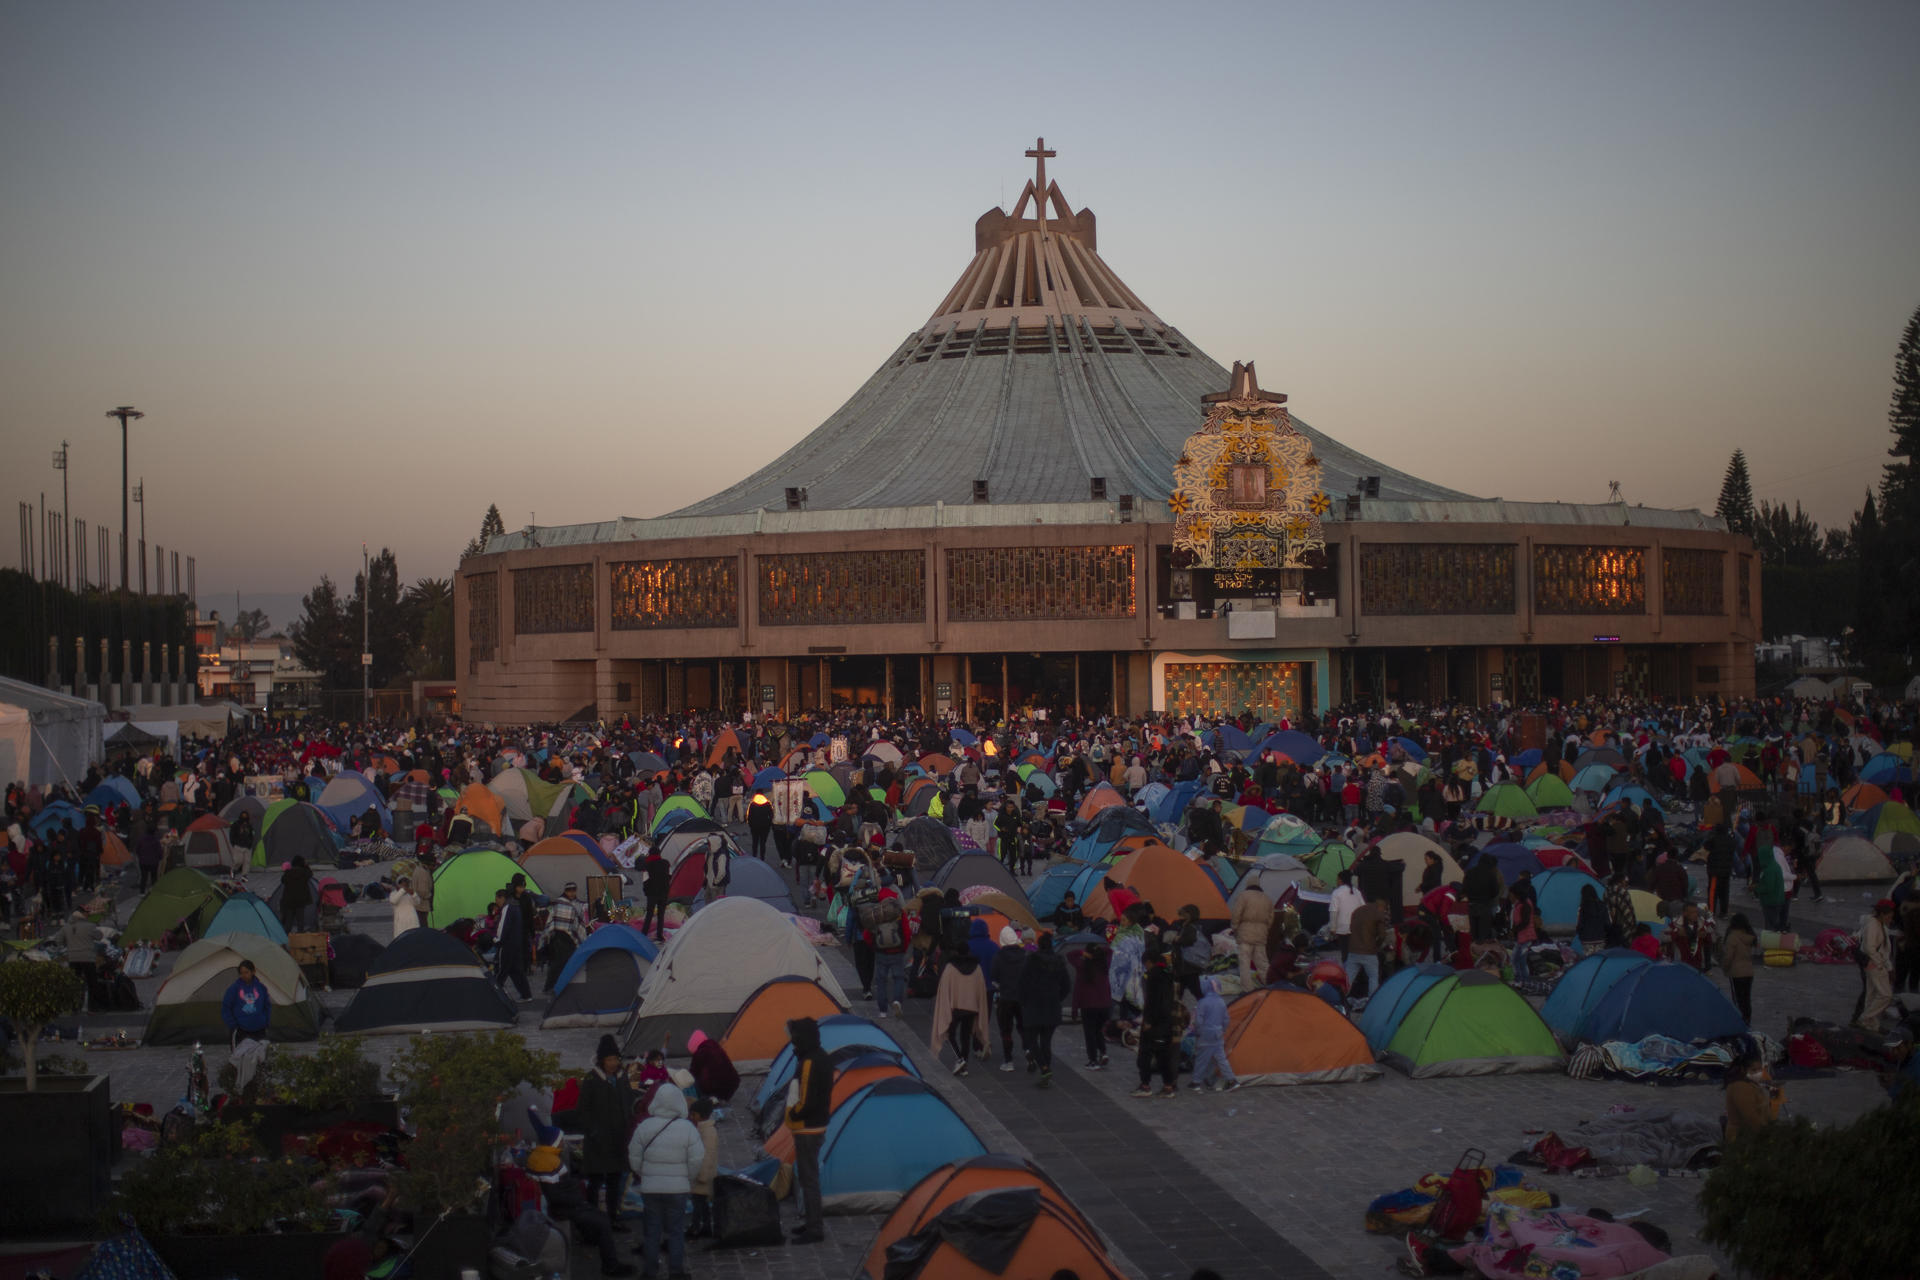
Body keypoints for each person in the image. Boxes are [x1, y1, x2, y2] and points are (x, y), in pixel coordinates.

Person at [627, 1086, 703, 1277]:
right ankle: (676, 1272)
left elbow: (634, 1155)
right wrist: (688, 1178)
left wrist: (644, 1173)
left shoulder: (645, 1126)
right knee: (676, 1232)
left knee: (652, 1231)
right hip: (678, 1189)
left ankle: (650, 1272)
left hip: (651, 1188)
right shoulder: (687, 1128)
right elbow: (696, 1158)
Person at [526, 1144, 633, 1276]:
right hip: (563, 1208)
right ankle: (611, 1266)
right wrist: (578, 1199)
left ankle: (594, 1242)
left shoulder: (539, 1157)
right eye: (560, 1141)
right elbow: (555, 1196)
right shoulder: (550, 1161)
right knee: (603, 1222)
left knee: (598, 1218)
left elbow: (554, 1190)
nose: (562, 1145)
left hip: (564, 1205)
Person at [782, 1017, 833, 1244]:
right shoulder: (821, 1056)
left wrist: (793, 1114)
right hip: (817, 1125)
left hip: (807, 1128)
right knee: (808, 1177)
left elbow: (806, 1098)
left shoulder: (811, 1062)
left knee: (808, 1179)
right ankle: (812, 1222)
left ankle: (815, 1228)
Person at [577, 1035, 635, 1231]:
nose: (613, 1063)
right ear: (602, 1060)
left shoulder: (622, 1078)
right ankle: (594, 1221)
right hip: (597, 1141)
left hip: (618, 1140)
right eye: (609, 1059)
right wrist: (593, 1132)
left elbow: (627, 1104)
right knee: (594, 1182)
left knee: (614, 1181)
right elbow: (583, 1110)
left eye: (615, 1059)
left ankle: (613, 1217)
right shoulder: (592, 1079)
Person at [1015, 932, 1073, 1087]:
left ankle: (1044, 1068)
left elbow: (1022, 983)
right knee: (1046, 1041)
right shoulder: (1059, 962)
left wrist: (1023, 1001)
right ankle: (1046, 1070)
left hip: (1033, 1006)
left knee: (1031, 1040)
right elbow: (1066, 985)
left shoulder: (1031, 961)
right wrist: (1057, 998)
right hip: (1052, 1006)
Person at [929, 941, 989, 1075]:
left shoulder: (951, 967)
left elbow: (944, 986)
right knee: (965, 1036)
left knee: (950, 1034)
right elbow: (981, 988)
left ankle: (960, 1059)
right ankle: (964, 1065)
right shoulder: (977, 967)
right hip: (972, 1007)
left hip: (956, 1008)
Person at [1130, 937, 1179, 1099]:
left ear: (1149, 962)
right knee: (1164, 1055)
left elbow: (1152, 1001)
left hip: (1155, 1023)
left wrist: (1149, 1021)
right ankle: (1168, 1086)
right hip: (1167, 1022)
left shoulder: (1153, 977)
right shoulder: (1168, 974)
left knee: (1145, 1054)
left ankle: (1145, 1085)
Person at [865, 872, 911, 1019]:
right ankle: (897, 1001)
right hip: (897, 950)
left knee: (881, 980)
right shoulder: (897, 910)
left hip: (881, 951)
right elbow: (907, 931)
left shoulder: (877, 911)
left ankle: (883, 1010)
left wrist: (874, 946)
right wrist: (904, 947)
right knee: (898, 977)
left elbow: (867, 934)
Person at [1187, 975, 1240, 1092]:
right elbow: (1226, 1019)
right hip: (1218, 1034)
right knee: (1221, 1059)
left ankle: (1196, 1081)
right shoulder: (1221, 1002)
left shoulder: (1202, 1002)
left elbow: (1199, 1021)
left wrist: (1197, 1032)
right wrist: (1222, 1030)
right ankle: (1232, 1080)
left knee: (1201, 1058)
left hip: (1206, 1034)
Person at [991, 926, 1029, 1071]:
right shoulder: (1024, 954)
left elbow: (994, 977)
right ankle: (1028, 1050)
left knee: (1006, 1030)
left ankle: (1008, 1060)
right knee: (1023, 1026)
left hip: (1006, 997)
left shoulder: (999, 956)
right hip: (1022, 997)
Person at [1072, 941, 1113, 1069]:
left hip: (1088, 1005)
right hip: (1104, 1004)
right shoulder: (1104, 964)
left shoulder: (1082, 966)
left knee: (1089, 1033)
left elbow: (1070, 955)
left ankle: (1093, 1060)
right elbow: (1109, 951)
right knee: (1099, 1030)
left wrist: (1082, 952)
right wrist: (1098, 951)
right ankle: (1103, 1052)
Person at [1858, 898, 1897, 1031]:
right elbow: (1870, 947)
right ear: (1881, 914)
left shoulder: (1880, 925)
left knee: (1872, 994)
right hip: (1875, 964)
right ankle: (1866, 1017)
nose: (1890, 920)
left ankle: (1870, 1024)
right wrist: (1881, 963)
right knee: (1886, 995)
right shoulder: (1873, 925)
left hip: (1875, 963)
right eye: (1889, 916)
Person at [1723, 1051, 1779, 1142]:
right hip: (1741, 1138)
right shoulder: (1740, 1086)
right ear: (1743, 1070)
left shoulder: (1753, 1085)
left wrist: (1773, 1098)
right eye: (1753, 1070)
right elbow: (1751, 1117)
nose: (1758, 1073)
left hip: (1754, 1135)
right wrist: (1766, 1136)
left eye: (1760, 1069)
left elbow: (1765, 1114)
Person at [1229, 875, 1273, 989]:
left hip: (1245, 933)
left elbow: (1236, 914)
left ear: (1248, 884)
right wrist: (1265, 929)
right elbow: (1270, 919)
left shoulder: (1243, 896)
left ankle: (1247, 988)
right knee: (1262, 963)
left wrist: (1234, 927)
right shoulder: (1267, 898)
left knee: (1245, 962)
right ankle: (1270, 984)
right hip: (1261, 934)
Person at [543, 881, 586, 992]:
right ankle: (550, 986)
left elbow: (579, 922)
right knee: (558, 963)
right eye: (569, 890)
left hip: (571, 938)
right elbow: (552, 919)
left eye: (573, 890)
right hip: (559, 937)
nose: (571, 893)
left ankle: (563, 985)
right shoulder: (559, 903)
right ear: (565, 891)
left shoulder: (578, 904)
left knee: (567, 962)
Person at [1345, 892, 1389, 999]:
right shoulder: (1378, 913)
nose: (1385, 911)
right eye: (1386, 908)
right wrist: (1377, 946)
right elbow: (1383, 935)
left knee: (1347, 978)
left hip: (1353, 950)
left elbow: (1351, 929)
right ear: (1382, 905)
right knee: (1373, 977)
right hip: (1369, 952)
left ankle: (1342, 998)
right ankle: (1372, 1001)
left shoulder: (1357, 911)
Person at [687, 1096, 719, 1241]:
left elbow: (708, 1155)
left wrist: (702, 1175)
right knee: (703, 1204)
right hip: (702, 1174)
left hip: (703, 1175)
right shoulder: (704, 1130)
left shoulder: (708, 1132)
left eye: (693, 1114)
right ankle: (706, 1227)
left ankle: (696, 1227)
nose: (691, 1117)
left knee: (698, 1204)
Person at [221, 958, 272, 1048]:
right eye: (241, 973)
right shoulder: (234, 989)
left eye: (246, 972)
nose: (244, 975)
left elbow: (267, 1005)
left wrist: (265, 1021)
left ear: (253, 972)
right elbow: (226, 1007)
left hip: (259, 1029)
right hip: (241, 1030)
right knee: (240, 1057)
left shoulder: (261, 988)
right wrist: (233, 1025)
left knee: (260, 1055)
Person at [494, 887, 533, 1001]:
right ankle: (526, 995)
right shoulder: (516, 906)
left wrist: (497, 940)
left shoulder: (507, 908)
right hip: (516, 943)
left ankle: (494, 993)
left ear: (502, 898)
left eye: (497, 899)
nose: (496, 902)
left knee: (501, 970)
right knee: (516, 970)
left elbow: (503, 927)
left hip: (507, 944)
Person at [1720, 913, 1758, 1024]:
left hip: (1736, 972)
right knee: (1746, 999)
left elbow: (1728, 956)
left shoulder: (1732, 937)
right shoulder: (1749, 937)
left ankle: (1740, 1021)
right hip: (1749, 972)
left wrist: (1725, 968)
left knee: (1738, 999)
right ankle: (1747, 1020)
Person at [1665, 902, 1715, 972]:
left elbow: (1713, 937)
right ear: (1685, 913)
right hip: (1680, 964)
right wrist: (1676, 934)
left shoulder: (1703, 924)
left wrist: (1706, 934)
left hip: (1698, 965)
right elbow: (1663, 937)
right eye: (1692, 912)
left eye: (1696, 912)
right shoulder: (1675, 925)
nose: (1695, 915)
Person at [1328, 870, 1363, 961]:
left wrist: (1333, 928)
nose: (1336, 881)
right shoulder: (1357, 892)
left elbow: (1333, 911)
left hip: (1343, 928)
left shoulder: (1337, 892)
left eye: (1337, 879)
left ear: (1340, 880)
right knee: (1356, 952)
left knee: (1345, 953)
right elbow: (1363, 908)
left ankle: (1348, 972)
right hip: (1357, 927)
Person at [640, 844, 670, 941]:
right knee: (661, 914)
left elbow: (645, 880)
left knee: (649, 913)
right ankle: (660, 934)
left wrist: (646, 891)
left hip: (652, 893)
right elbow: (669, 876)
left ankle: (644, 933)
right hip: (663, 892)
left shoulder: (647, 865)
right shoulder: (666, 863)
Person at [279, 855, 316, 933]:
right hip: (300, 901)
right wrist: (306, 866)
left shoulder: (288, 873)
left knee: (289, 921)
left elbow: (283, 880)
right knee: (300, 921)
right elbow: (310, 874)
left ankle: (286, 937)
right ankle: (300, 937)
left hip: (289, 901)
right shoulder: (304, 872)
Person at [1573, 883, 1608, 957]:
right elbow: (1607, 923)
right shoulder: (1603, 906)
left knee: (1588, 960)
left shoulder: (1583, 908)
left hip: (1587, 940)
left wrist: (1579, 934)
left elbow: (1580, 925)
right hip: (1601, 938)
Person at [701, 833, 730, 902]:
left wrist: (715, 882)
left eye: (709, 844)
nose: (708, 846)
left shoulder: (721, 855)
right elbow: (707, 866)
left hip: (718, 884)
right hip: (709, 882)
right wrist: (706, 879)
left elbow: (722, 872)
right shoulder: (709, 853)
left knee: (716, 904)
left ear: (714, 844)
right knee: (707, 899)